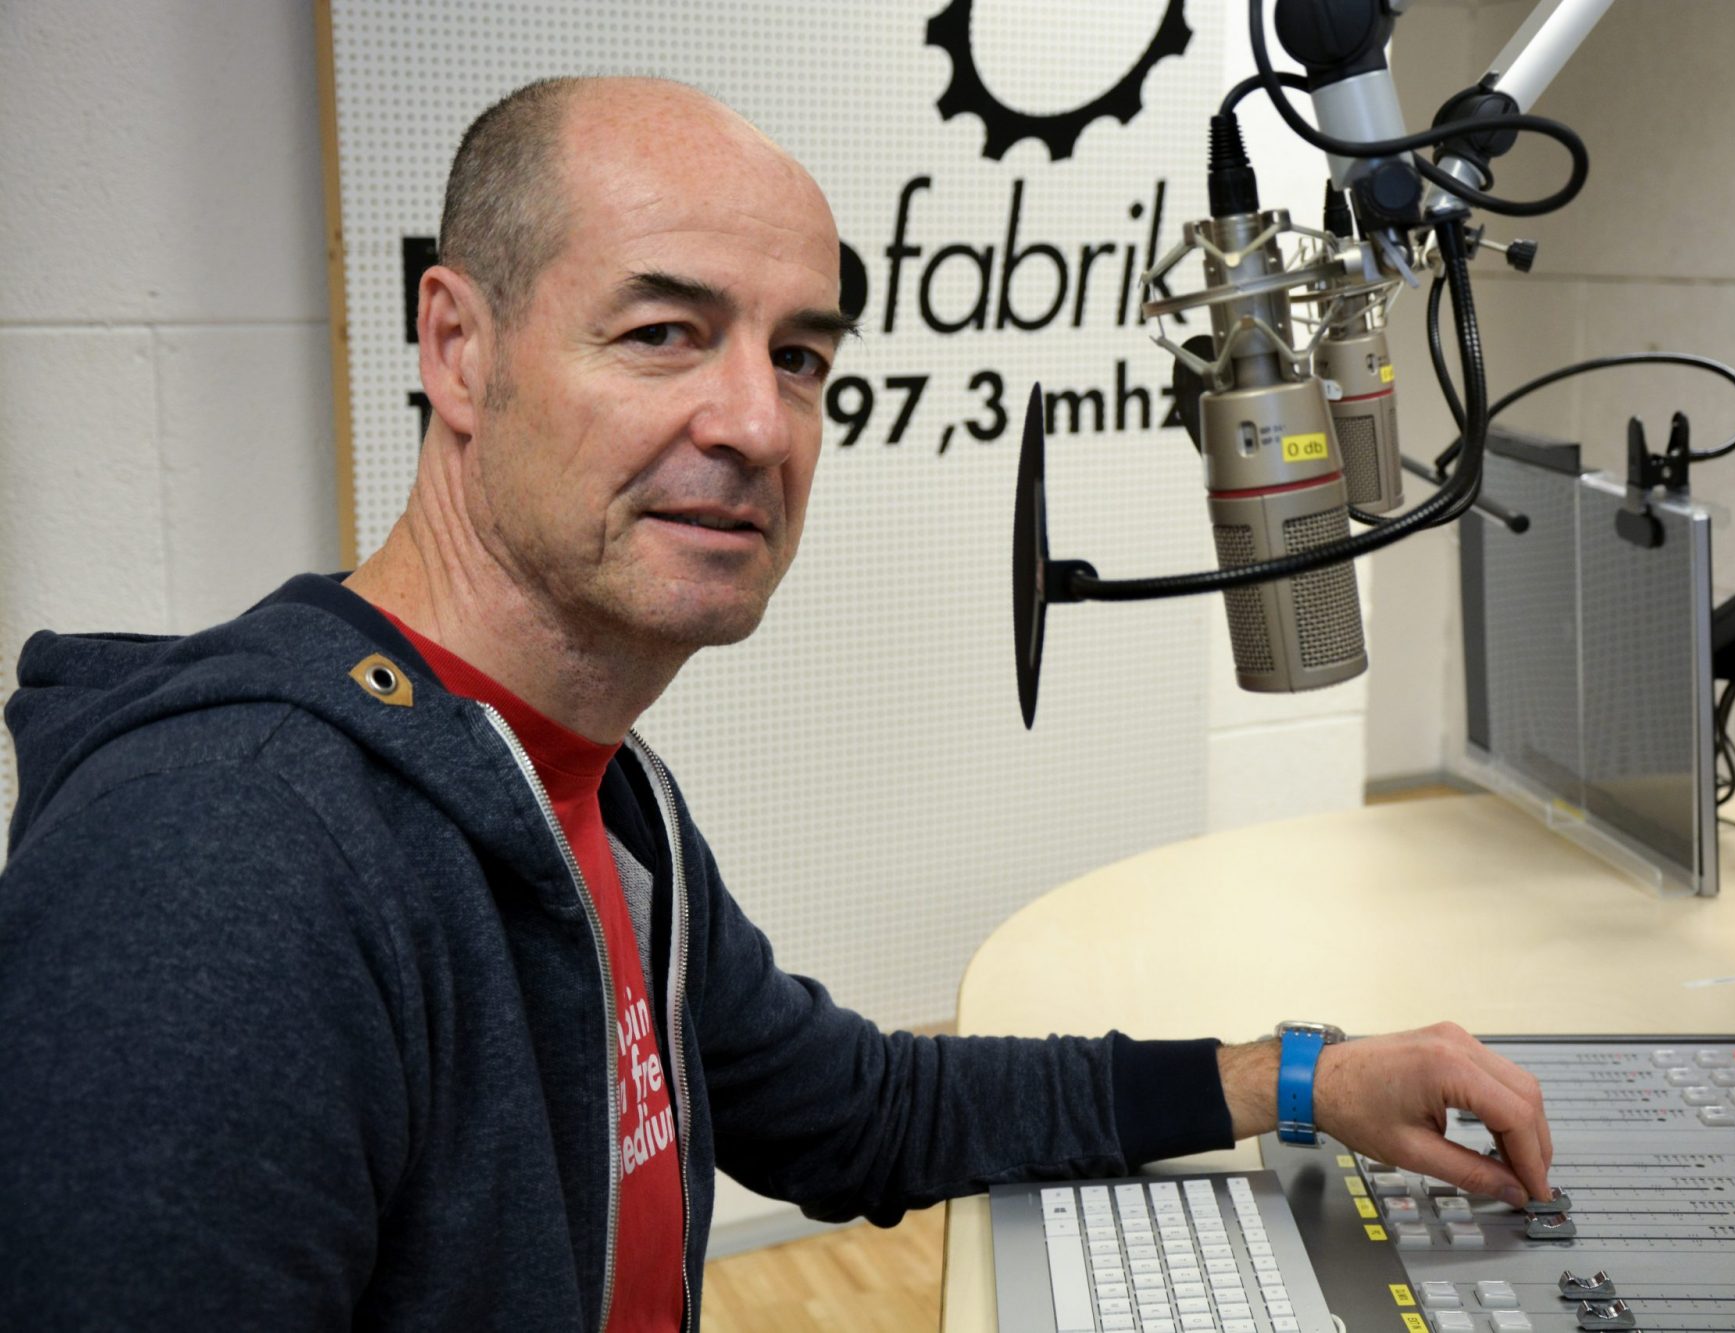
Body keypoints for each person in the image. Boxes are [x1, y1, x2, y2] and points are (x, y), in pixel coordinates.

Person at [0, 77, 1550, 1329]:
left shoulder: (600, 797)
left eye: (799, 355)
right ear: (458, 352)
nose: (757, 420)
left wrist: (1297, 1076)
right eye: (662, 333)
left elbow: (860, 1107)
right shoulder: (223, 866)